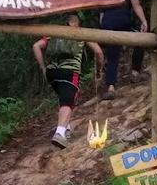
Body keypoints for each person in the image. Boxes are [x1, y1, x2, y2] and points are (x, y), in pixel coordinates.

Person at [32, 14, 104, 149]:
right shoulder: (81, 33)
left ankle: (66, 127)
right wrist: (99, 70)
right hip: (69, 72)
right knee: (67, 100)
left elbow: (36, 46)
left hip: (52, 73)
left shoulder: (54, 33)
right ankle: (59, 133)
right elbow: (99, 52)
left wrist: (43, 68)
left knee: (65, 97)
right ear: (77, 23)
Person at [99, 0, 149, 98]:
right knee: (141, 39)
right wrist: (144, 21)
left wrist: (103, 30)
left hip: (108, 25)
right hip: (123, 22)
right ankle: (135, 72)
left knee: (112, 57)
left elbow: (101, 17)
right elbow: (136, 5)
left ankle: (111, 87)